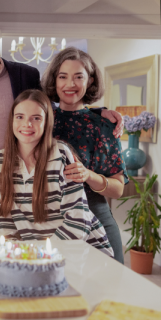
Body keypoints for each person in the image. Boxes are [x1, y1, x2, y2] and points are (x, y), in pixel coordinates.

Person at [0, 16, 124, 241]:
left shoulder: (25, 75)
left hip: (20, 196)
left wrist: (97, 113)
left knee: (20, 262)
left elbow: (47, 108)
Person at [0, 89, 114, 258]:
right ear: (12, 120)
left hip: (83, 251)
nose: (27, 124)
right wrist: (12, 257)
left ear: (47, 122)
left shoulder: (61, 155)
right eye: (20, 117)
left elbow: (78, 220)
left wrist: (42, 256)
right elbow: (1, 221)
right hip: (36, 255)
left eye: (36, 118)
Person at [41, 47, 128, 264]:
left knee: (107, 293)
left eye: (78, 77)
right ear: (54, 80)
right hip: (48, 221)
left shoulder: (103, 125)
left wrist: (87, 174)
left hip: (96, 217)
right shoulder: (40, 120)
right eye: (63, 77)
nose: (70, 84)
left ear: (89, 81)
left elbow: (118, 189)